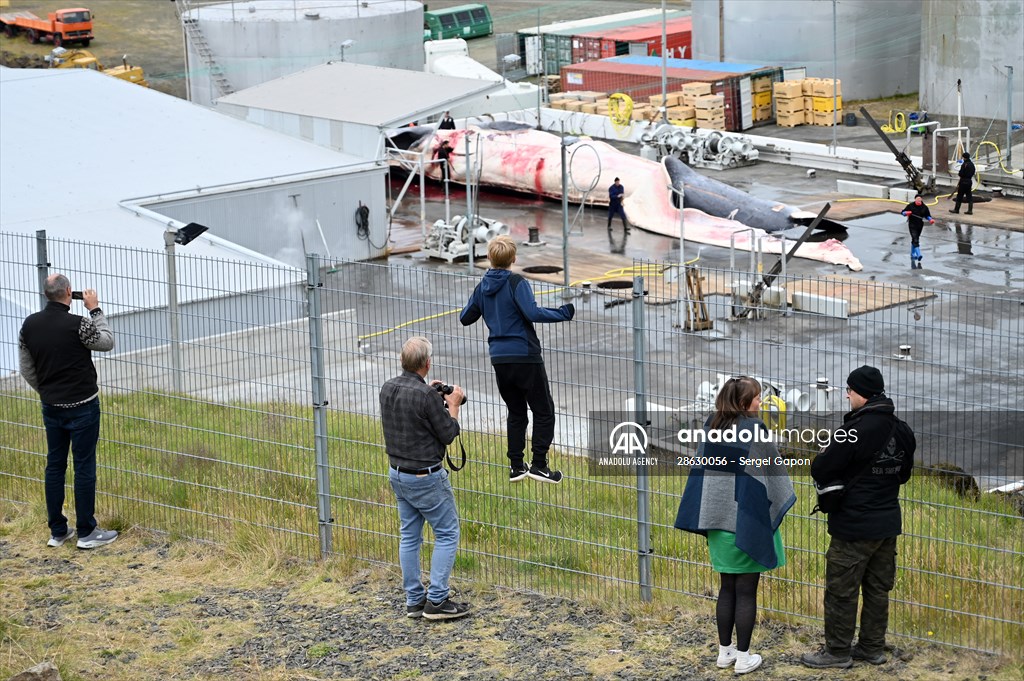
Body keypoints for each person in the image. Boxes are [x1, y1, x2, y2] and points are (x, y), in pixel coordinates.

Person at [674, 376, 795, 675]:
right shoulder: (754, 430)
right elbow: (773, 475)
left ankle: (724, 653)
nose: (759, 402)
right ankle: (744, 657)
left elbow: (704, 472)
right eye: (756, 398)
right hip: (744, 520)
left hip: (715, 519)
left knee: (726, 588)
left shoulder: (711, 425)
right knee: (746, 591)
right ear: (743, 403)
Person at [801, 366, 915, 669]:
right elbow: (903, 475)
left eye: (849, 390)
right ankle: (872, 648)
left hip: (853, 526)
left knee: (841, 591)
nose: (847, 394)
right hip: (887, 523)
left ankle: (837, 652)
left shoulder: (853, 430)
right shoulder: (901, 429)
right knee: (878, 590)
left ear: (861, 393)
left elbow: (821, 468)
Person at [459, 235, 574, 484]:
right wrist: (563, 313)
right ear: (514, 259)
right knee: (544, 411)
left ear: (489, 257)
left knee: (516, 411)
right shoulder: (516, 282)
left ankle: (516, 466)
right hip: (525, 355)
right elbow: (532, 312)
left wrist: (480, 301)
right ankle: (539, 465)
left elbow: (466, 317)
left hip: (499, 360)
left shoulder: (482, 286)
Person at [18, 274, 118, 550]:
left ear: (46, 293)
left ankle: (58, 530)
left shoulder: (29, 325)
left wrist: (48, 392)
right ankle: (87, 531)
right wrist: (95, 309)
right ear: (69, 293)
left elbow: (26, 368)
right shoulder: (79, 324)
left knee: (55, 465)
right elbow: (106, 342)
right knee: (84, 466)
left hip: (51, 406)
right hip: (83, 405)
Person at [379, 336, 471, 620]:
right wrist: (452, 404)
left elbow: (415, 414)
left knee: (409, 536)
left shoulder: (388, 388)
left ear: (402, 361)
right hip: (426, 477)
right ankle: (438, 600)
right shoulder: (426, 396)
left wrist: (429, 393)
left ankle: (414, 600)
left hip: (398, 473)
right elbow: (448, 434)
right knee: (446, 533)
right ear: (427, 364)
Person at [900, 195, 934, 269]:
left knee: (915, 239)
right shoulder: (910, 206)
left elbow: (927, 215)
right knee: (915, 239)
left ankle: (912, 254)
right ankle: (919, 255)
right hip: (912, 225)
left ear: (921, 200)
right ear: (915, 199)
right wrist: (905, 213)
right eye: (917, 199)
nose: (918, 201)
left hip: (920, 225)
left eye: (920, 199)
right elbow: (902, 212)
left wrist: (930, 219)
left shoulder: (924, 207)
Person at [950, 151, 975, 215]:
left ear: (964, 158)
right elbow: (973, 172)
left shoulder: (964, 164)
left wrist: (961, 174)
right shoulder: (972, 165)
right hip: (969, 181)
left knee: (960, 196)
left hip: (963, 181)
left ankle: (956, 209)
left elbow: (961, 173)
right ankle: (970, 210)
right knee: (969, 196)